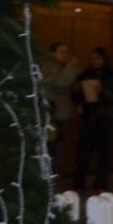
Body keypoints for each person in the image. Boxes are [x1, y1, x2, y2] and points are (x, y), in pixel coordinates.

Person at [72, 46, 113, 193]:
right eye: (93, 58)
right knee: (83, 153)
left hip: (106, 118)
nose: (95, 61)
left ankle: (100, 185)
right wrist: (77, 92)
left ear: (105, 59)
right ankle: (78, 184)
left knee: (104, 154)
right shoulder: (85, 75)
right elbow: (75, 98)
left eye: (98, 58)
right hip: (88, 118)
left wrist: (104, 92)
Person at [40, 42, 78, 173]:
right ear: (51, 53)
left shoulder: (69, 68)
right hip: (50, 113)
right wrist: (70, 68)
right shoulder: (46, 67)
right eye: (61, 51)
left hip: (63, 113)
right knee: (50, 148)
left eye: (66, 51)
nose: (65, 54)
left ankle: (56, 179)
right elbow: (62, 84)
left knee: (58, 148)